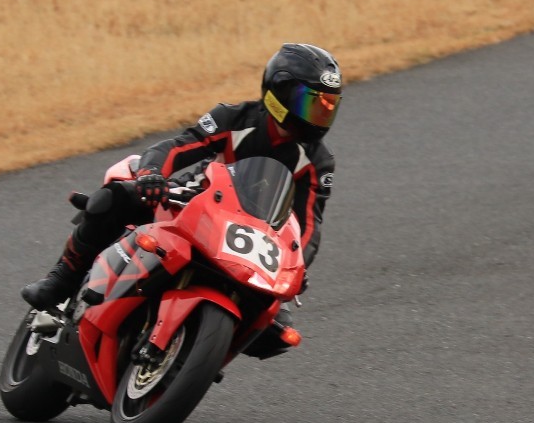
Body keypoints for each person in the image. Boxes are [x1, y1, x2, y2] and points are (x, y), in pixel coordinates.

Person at [21, 43, 342, 329]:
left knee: (275, 328)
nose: (319, 117)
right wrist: (151, 174)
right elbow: (177, 147)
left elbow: (308, 226)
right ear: (279, 93)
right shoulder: (235, 118)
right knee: (115, 198)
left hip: (254, 242)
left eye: (328, 107)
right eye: (311, 104)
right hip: (193, 201)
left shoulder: (318, 162)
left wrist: (297, 266)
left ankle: (197, 354)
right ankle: (62, 279)